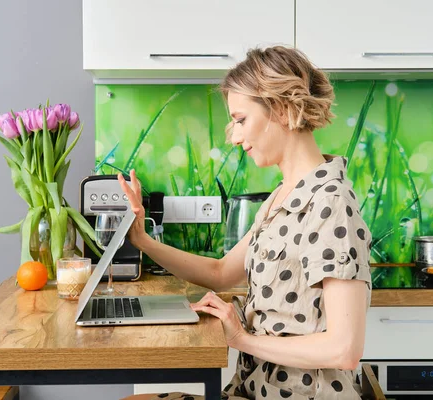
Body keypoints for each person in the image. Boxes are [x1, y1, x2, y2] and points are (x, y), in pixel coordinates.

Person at [120, 46, 372, 400]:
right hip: (253, 390)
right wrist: (143, 240)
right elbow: (222, 272)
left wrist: (242, 340)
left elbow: (344, 350)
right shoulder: (283, 196)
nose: (235, 137)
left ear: (282, 109)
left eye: (240, 120)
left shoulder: (330, 204)